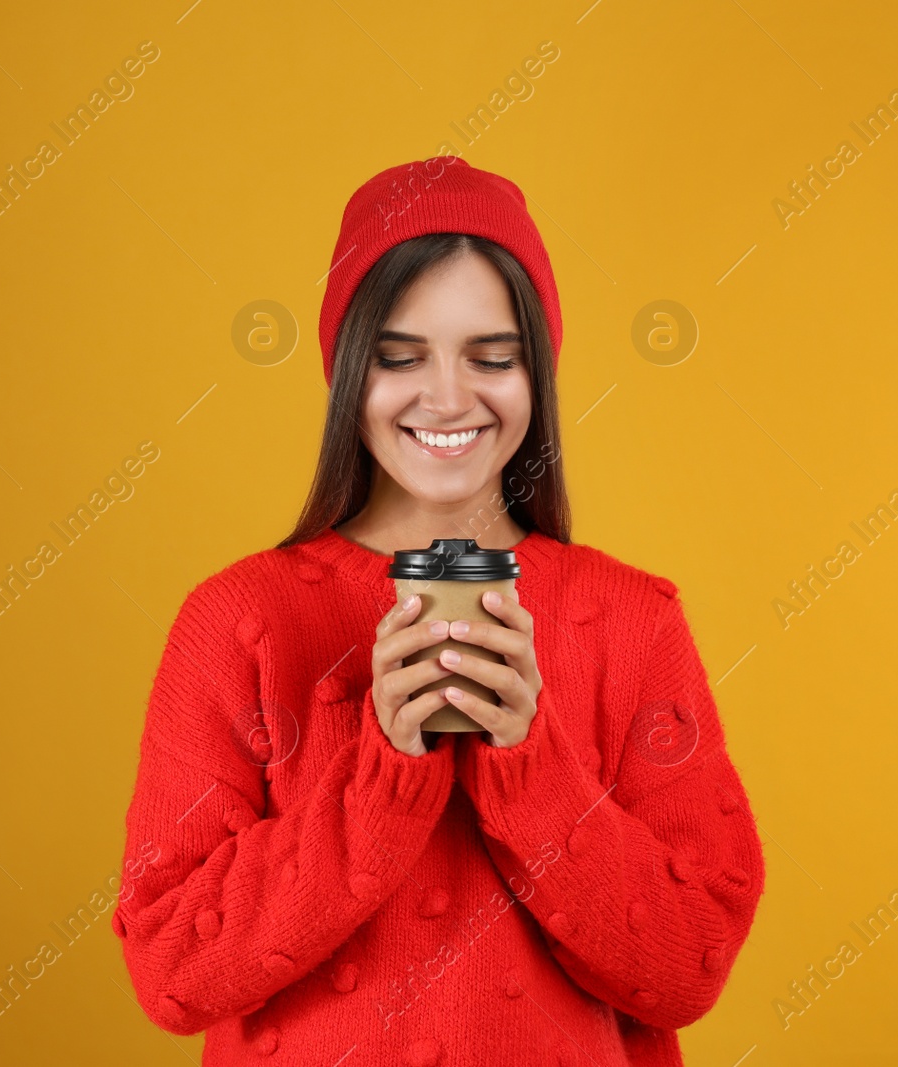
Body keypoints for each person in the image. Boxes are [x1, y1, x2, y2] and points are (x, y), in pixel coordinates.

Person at [112, 155, 765, 1066]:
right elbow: (172, 968)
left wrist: (532, 766)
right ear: (348, 375)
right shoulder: (238, 618)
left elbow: (689, 965)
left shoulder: (631, 619)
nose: (448, 397)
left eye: (491, 357)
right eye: (400, 357)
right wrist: (380, 774)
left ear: (535, 372)